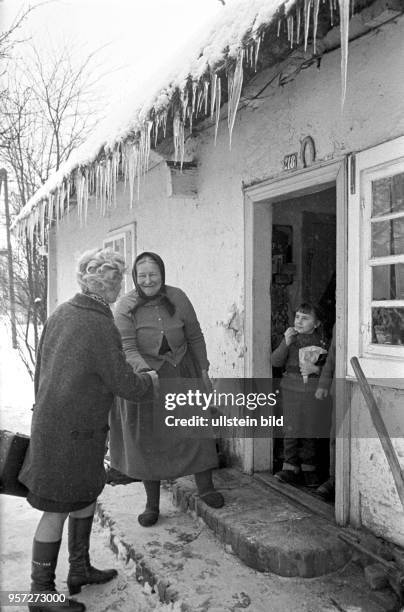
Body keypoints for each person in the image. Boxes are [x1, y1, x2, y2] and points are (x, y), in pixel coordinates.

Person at [19, 248, 158, 612]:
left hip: (60, 427)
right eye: (118, 281)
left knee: (84, 495)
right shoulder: (98, 323)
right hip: (72, 434)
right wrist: (149, 381)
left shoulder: (63, 311)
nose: (119, 288)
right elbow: (122, 381)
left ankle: (79, 569)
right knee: (57, 508)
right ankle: (40, 594)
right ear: (109, 285)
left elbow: (41, 370)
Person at [109, 251, 224, 528]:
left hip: (183, 370)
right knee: (152, 437)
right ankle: (152, 503)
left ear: (162, 274)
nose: (148, 280)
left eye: (153, 275)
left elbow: (195, 335)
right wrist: (145, 372)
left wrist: (204, 369)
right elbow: (127, 347)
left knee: (195, 430)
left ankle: (205, 487)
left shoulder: (178, 297)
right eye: (142, 275)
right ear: (136, 278)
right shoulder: (125, 306)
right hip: (147, 378)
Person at [272, 303, 330, 487]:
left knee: (310, 429)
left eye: (305, 318)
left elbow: (328, 368)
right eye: (297, 317)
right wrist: (285, 342)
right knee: (290, 429)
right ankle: (290, 468)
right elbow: (275, 361)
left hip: (312, 392)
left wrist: (316, 369)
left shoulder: (322, 342)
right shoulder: (291, 340)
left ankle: (309, 469)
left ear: (317, 323)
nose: (299, 321)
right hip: (290, 390)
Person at [315, 323, 336, 500]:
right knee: (335, 435)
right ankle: (334, 479)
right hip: (340, 389)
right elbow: (332, 358)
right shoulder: (338, 323)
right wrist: (323, 384)